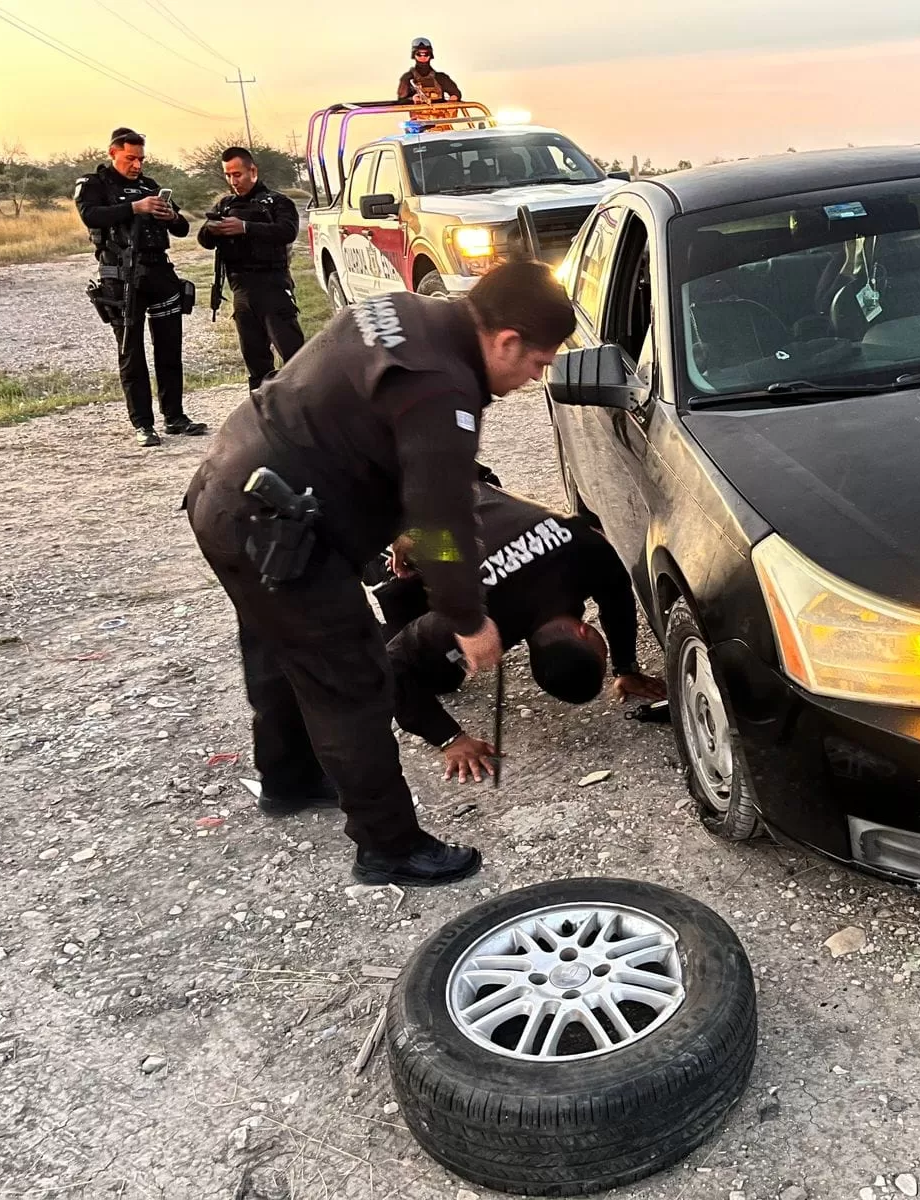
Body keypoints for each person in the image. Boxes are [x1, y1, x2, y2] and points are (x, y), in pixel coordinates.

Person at [183, 260, 575, 887]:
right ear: (506, 340)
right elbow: (443, 519)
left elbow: (348, 417)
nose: (534, 378)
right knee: (351, 682)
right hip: (280, 527)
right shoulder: (440, 388)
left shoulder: (404, 311)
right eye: (538, 363)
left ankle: (289, 781)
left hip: (230, 491)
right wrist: (468, 618)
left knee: (278, 646)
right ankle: (387, 845)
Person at [369, 481, 667, 782]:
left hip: (468, 504)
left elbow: (617, 593)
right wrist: (451, 739)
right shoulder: (481, 616)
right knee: (436, 674)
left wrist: (625, 667)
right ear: (580, 630)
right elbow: (392, 665)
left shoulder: (588, 550)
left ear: (581, 632)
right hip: (404, 500)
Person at [75, 128, 207, 447]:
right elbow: (90, 215)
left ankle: (174, 417)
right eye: (130, 158)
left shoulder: (150, 186)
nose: (136, 165)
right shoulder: (94, 184)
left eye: (141, 159)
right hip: (120, 278)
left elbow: (182, 228)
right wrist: (135, 208)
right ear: (113, 153)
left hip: (159, 273)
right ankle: (143, 424)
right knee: (131, 353)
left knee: (169, 349)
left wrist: (169, 214)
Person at [197, 147, 306, 391]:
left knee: (295, 357)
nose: (233, 181)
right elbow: (204, 241)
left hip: (273, 287)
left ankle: (306, 411)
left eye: (238, 174)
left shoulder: (277, 202)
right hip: (241, 290)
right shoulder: (225, 205)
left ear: (253, 171)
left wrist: (246, 227)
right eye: (228, 175)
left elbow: (287, 232)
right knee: (255, 360)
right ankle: (262, 411)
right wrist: (211, 229)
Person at [397, 38, 462, 104]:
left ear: (430, 55)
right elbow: (401, 100)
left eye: (426, 54)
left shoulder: (441, 78)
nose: (423, 57)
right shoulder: (407, 78)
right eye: (419, 54)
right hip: (419, 113)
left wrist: (451, 101)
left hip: (441, 113)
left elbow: (456, 94)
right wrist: (412, 99)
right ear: (414, 55)